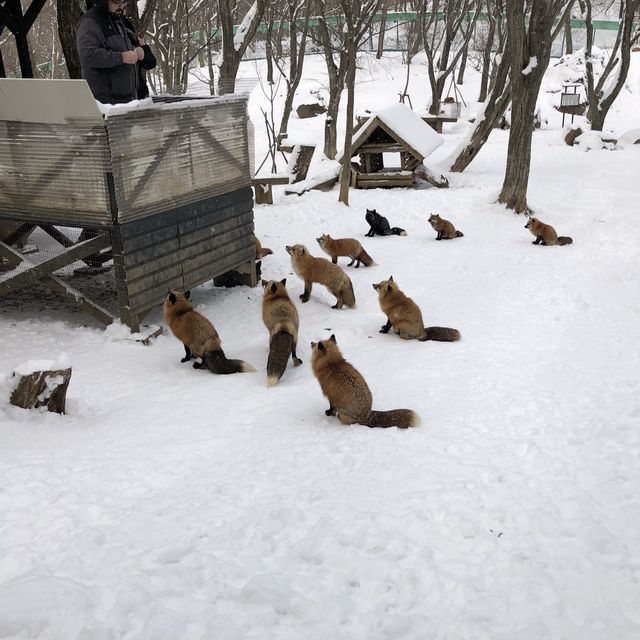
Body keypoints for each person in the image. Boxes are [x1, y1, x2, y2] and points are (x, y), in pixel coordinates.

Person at [76, 0, 157, 105]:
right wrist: (121, 57)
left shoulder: (123, 23)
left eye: (123, 2)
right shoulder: (90, 22)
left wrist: (141, 52)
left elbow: (149, 61)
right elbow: (89, 55)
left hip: (131, 100)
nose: (120, 5)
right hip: (106, 103)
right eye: (116, 1)